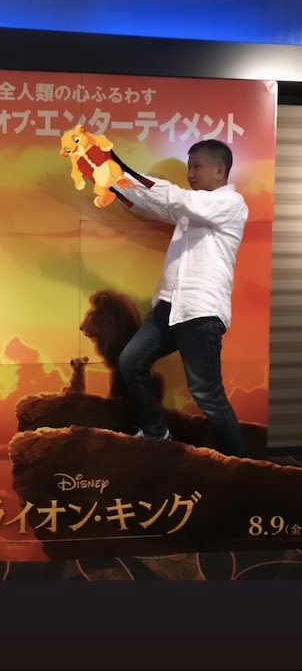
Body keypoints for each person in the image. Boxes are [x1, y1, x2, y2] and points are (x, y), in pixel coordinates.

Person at [113, 139, 248, 458]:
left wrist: (119, 168)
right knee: (131, 361)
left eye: (197, 166)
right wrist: (113, 183)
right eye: (189, 167)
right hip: (168, 308)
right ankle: (157, 434)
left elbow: (173, 198)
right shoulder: (192, 207)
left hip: (200, 313)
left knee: (207, 393)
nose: (190, 174)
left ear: (219, 170)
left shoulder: (230, 204)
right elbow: (153, 204)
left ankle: (238, 463)